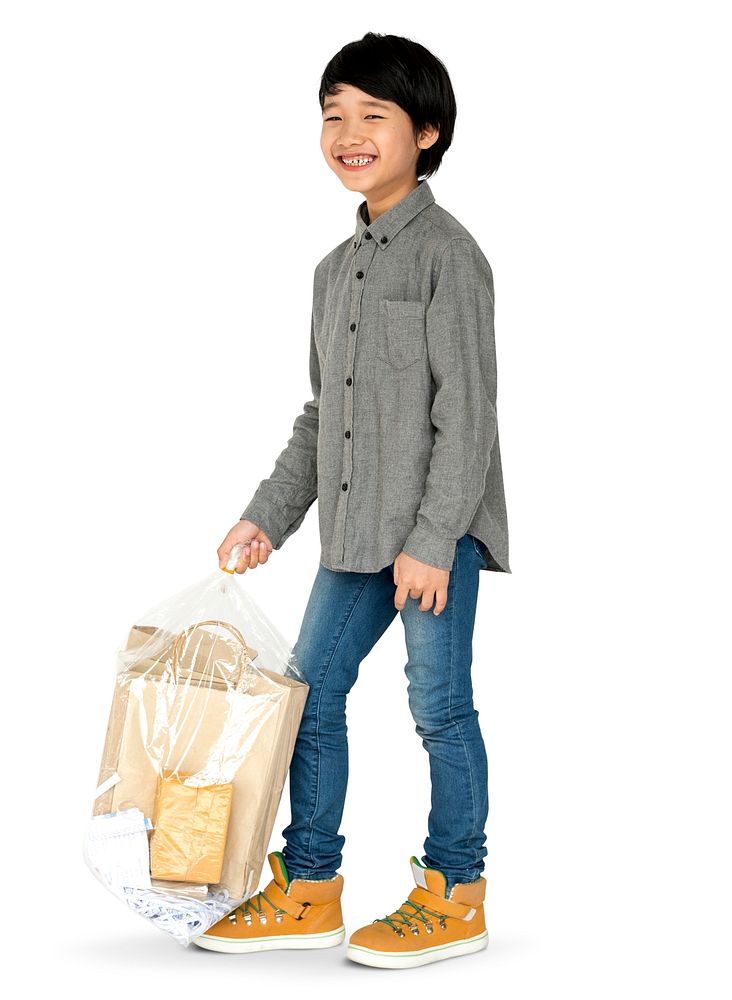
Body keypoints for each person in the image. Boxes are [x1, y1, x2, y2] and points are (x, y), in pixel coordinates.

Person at [195, 31, 511, 970]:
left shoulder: (449, 258)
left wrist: (433, 537)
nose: (350, 132)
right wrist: (266, 514)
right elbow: (319, 415)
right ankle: (310, 886)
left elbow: (471, 413)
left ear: (428, 131)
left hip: (429, 536)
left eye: (374, 114)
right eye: (334, 114)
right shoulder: (335, 273)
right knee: (308, 693)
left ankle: (455, 893)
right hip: (353, 532)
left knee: (438, 707)